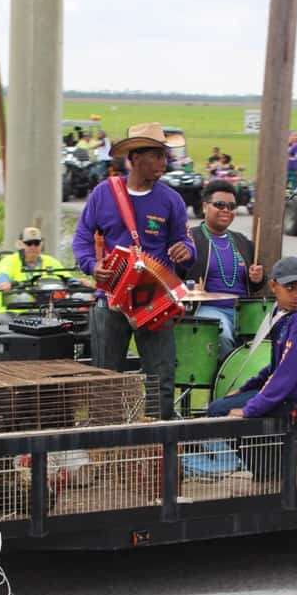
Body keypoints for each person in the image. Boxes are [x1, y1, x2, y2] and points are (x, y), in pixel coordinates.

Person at [72, 122, 196, 420]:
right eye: (157, 156)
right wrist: (92, 266)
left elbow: (185, 242)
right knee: (105, 379)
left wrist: (186, 252)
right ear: (136, 157)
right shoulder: (104, 194)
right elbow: (82, 239)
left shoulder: (171, 200)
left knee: (160, 379)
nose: (164, 163)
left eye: (165, 156)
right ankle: (105, 451)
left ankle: (157, 450)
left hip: (154, 302)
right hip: (111, 299)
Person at [206, 257, 297, 422]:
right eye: (290, 288)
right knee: (224, 404)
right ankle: (258, 447)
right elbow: (276, 365)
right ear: (273, 286)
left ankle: (257, 449)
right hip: (294, 391)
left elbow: (286, 376)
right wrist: (247, 387)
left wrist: (249, 410)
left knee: (217, 410)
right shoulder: (279, 314)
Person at [179, 179, 265, 358]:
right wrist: (189, 287)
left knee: (271, 336)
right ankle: (226, 381)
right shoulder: (190, 239)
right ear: (205, 207)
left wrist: (257, 278)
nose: (226, 210)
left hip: (244, 311)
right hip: (209, 309)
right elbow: (173, 277)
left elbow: (255, 285)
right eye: (219, 205)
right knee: (223, 334)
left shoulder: (242, 241)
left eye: (231, 206)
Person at [0, 227, 65, 320]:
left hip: (46, 312)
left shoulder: (51, 261)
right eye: (29, 243)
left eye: (36, 243)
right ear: (20, 244)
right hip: (12, 313)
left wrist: (77, 281)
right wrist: (4, 283)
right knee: (2, 322)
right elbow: (3, 274)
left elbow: (66, 276)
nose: (33, 247)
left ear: (41, 245)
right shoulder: (9, 261)